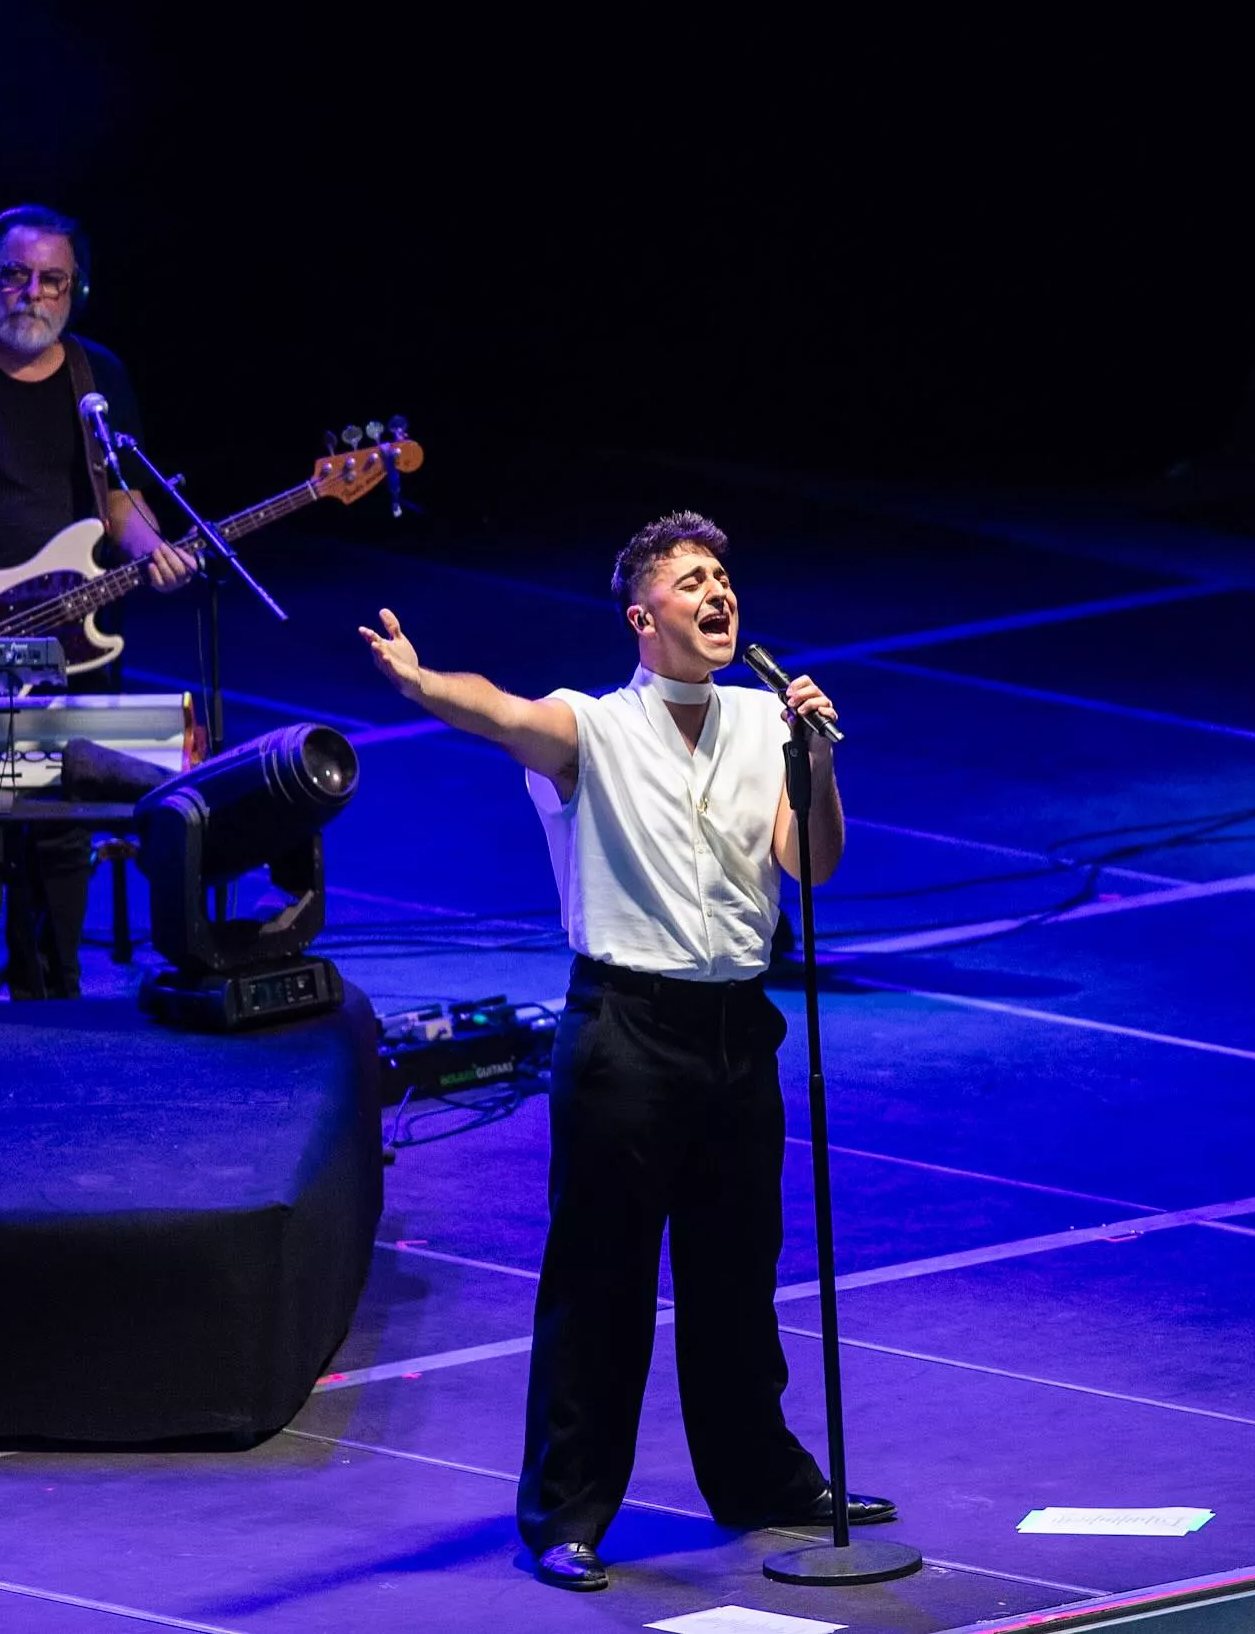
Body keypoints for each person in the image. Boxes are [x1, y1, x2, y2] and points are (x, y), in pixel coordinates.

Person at [360, 509, 895, 1592]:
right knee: (600, 1281)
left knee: (737, 1275)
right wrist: (421, 684)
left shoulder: (761, 720)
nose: (719, 591)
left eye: (724, 574)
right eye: (693, 579)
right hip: (625, 1031)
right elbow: (503, 712)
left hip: (737, 1028)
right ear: (644, 617)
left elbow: (813, 862)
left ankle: (760, 1478)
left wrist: (818, 758)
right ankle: (565, 1511)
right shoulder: (595, 728)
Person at [0, 204, 196, 999]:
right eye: (14, 275)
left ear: (75, 289)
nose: (30, 294)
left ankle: (54, 999)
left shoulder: (94, 376)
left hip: (70, 637)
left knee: (60, 829)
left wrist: (154, 550)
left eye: (51, 280)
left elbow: (121, 503)